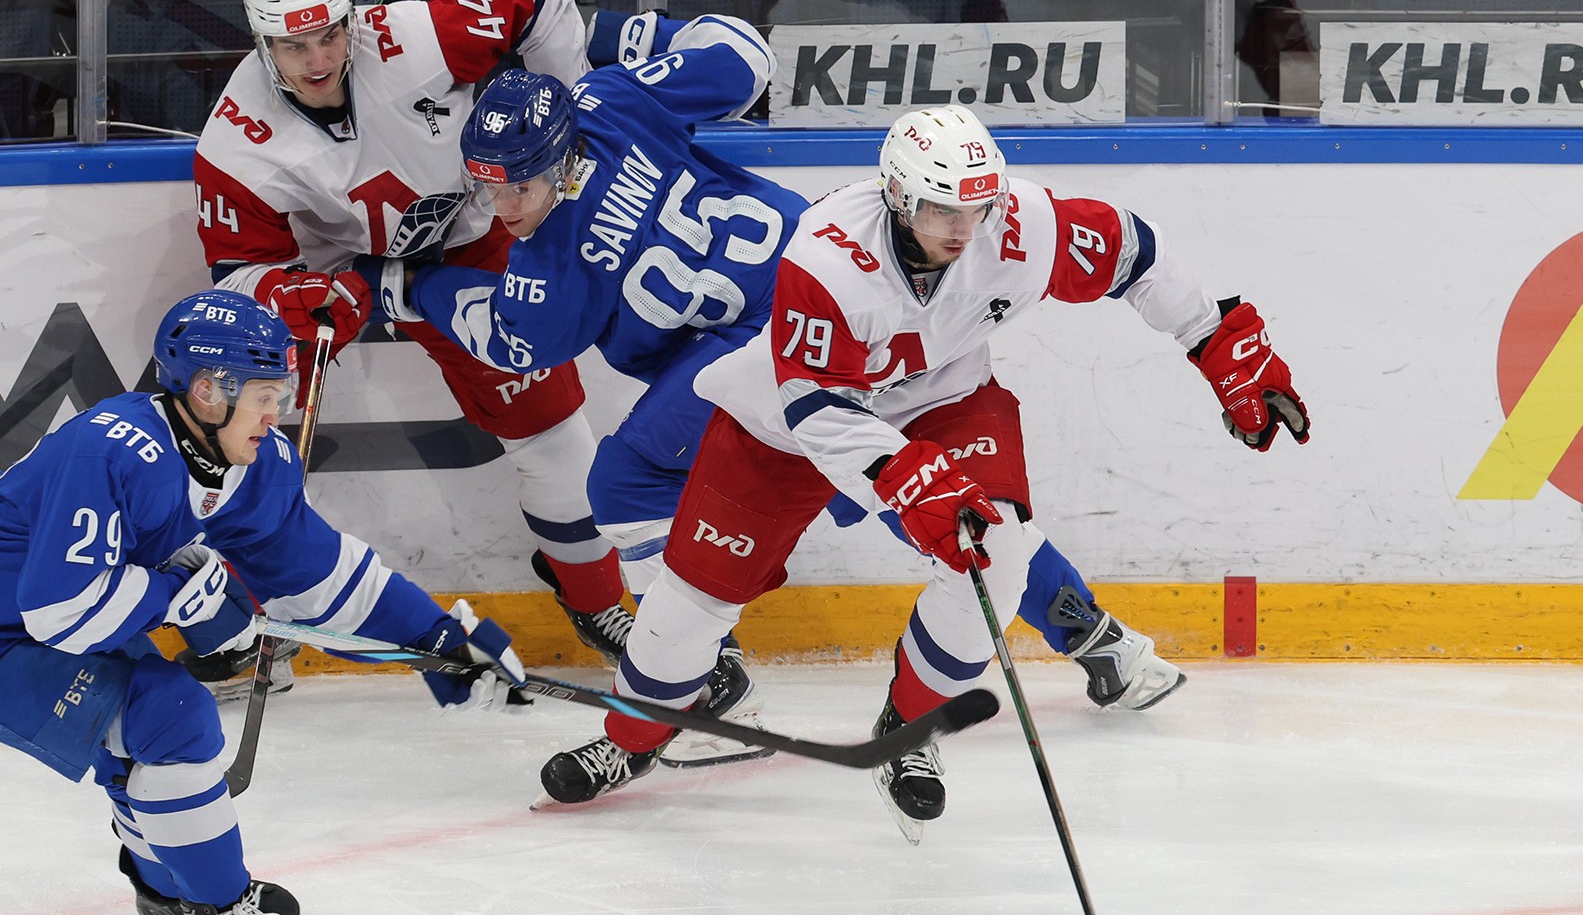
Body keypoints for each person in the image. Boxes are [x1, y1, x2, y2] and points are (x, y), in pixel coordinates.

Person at [538, 104, 1310, 824]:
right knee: (690, 602)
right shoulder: (827, 256)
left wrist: (1214, 339)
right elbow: (816, 408)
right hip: (791, 419)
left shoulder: (1020, 226)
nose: (964, 229)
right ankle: (631, 737)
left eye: (977, 207)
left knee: (993, 554)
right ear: (898, 197)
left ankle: (910, 728)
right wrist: (906, 476)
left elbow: (1136, 253)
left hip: (942, 396)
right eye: (943, 210)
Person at [0, 291, 526, 915]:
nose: (275, 416)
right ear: (207, 390)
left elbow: (328, 582)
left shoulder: (251, 463)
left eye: (280, 397)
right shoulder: (113, 449)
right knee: (172, 718)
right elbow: (61, 610)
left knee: (140, 740)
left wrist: (438, 641)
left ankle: (169, 887)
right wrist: (173, 595)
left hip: (63, 607)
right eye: (263, 397)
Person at [192, 0, 630, 695]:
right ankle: (252, 622)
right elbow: (237, 276)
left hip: (472, 241)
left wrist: (574, 112)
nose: (319, 58)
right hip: (340, 277)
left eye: (330, 34)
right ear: (262, 42)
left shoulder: (419, 38)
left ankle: (595, 598)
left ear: (350, 16)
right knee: (239, 421)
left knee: (553, 430)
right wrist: (286, 294)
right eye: (294, 45)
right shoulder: (236, 140)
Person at [380, 12, 803, 769]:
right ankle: (1068, 622)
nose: (504, 209)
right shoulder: (612, 98)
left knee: (626, 485)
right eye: (488, 186)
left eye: (520, 186)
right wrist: (625, 35)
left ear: (562, 156)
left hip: (770, 341)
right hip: (824, 277)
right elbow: (745, 55)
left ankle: (708, 682)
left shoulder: (548, 276)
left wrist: (410, 288)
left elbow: (501, 338)